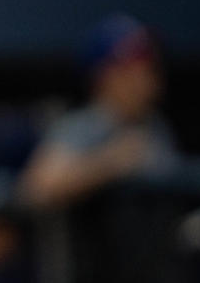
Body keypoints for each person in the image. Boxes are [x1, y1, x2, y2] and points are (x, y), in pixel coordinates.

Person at [20, 14, 178, 210]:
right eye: (131, 69)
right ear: (103, 75)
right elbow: (35, 188)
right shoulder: (85, 126)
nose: (144, 79)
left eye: (149, 68)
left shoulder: (157, 127)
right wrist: (110, 162)